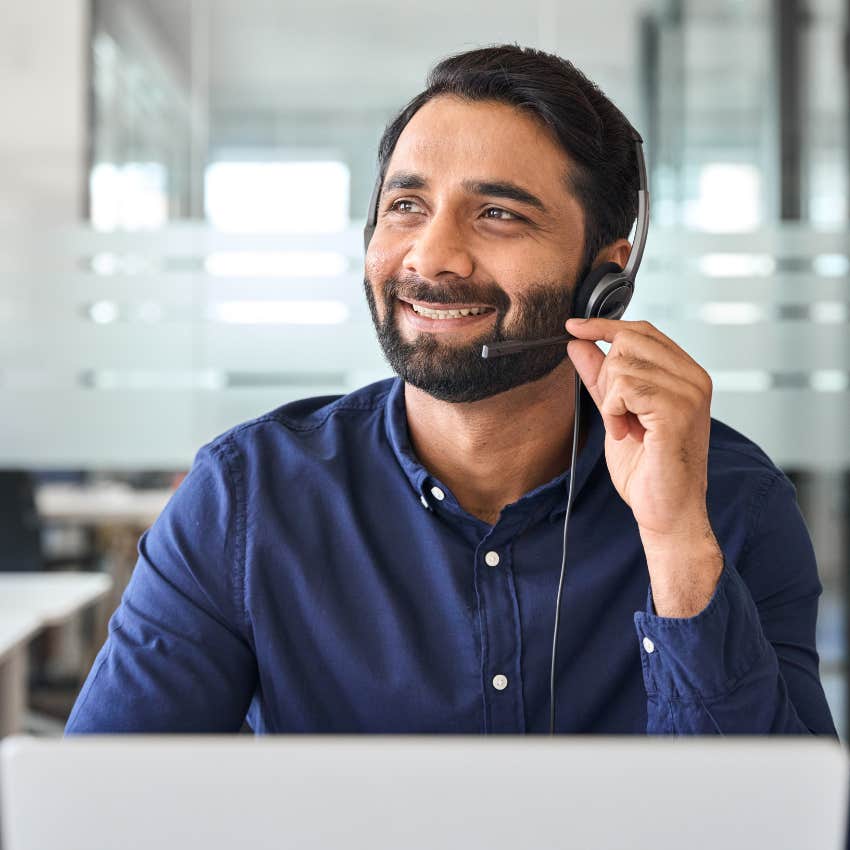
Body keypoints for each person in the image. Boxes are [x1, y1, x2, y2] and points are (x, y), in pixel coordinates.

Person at [66, 45, 836, 735]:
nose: (433, 257)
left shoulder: (726, 501)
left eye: (498, 214)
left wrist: (676, 548)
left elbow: (775, 822)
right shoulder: (248, 495)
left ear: (607, 275)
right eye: (406, 206)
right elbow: (101, 808)